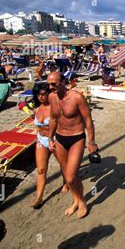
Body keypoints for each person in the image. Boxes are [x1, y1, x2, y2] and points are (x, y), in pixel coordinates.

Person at [47, 71, 98, 219]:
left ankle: (81, 202)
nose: (51, 87)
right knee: (69, 175)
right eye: (48, 84)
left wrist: (92, 141)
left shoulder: (77, 98)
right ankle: (76, 200)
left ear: (63, 82)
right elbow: (53, 118)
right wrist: (50, 138)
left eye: (54, 84)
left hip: (76, 138)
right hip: (60, 138)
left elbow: (88, 120)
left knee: (69, 178)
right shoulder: (51, 97)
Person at [30, 83, 53, 208]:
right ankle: (39, 197)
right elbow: (36, 126)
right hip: (41, 140)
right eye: (38, 94)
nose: (41, 97)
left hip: (54, 139)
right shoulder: (37, 108)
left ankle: (67, 183)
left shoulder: (55, 108)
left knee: (64, 166)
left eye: (43, 94)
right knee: (41, 170)